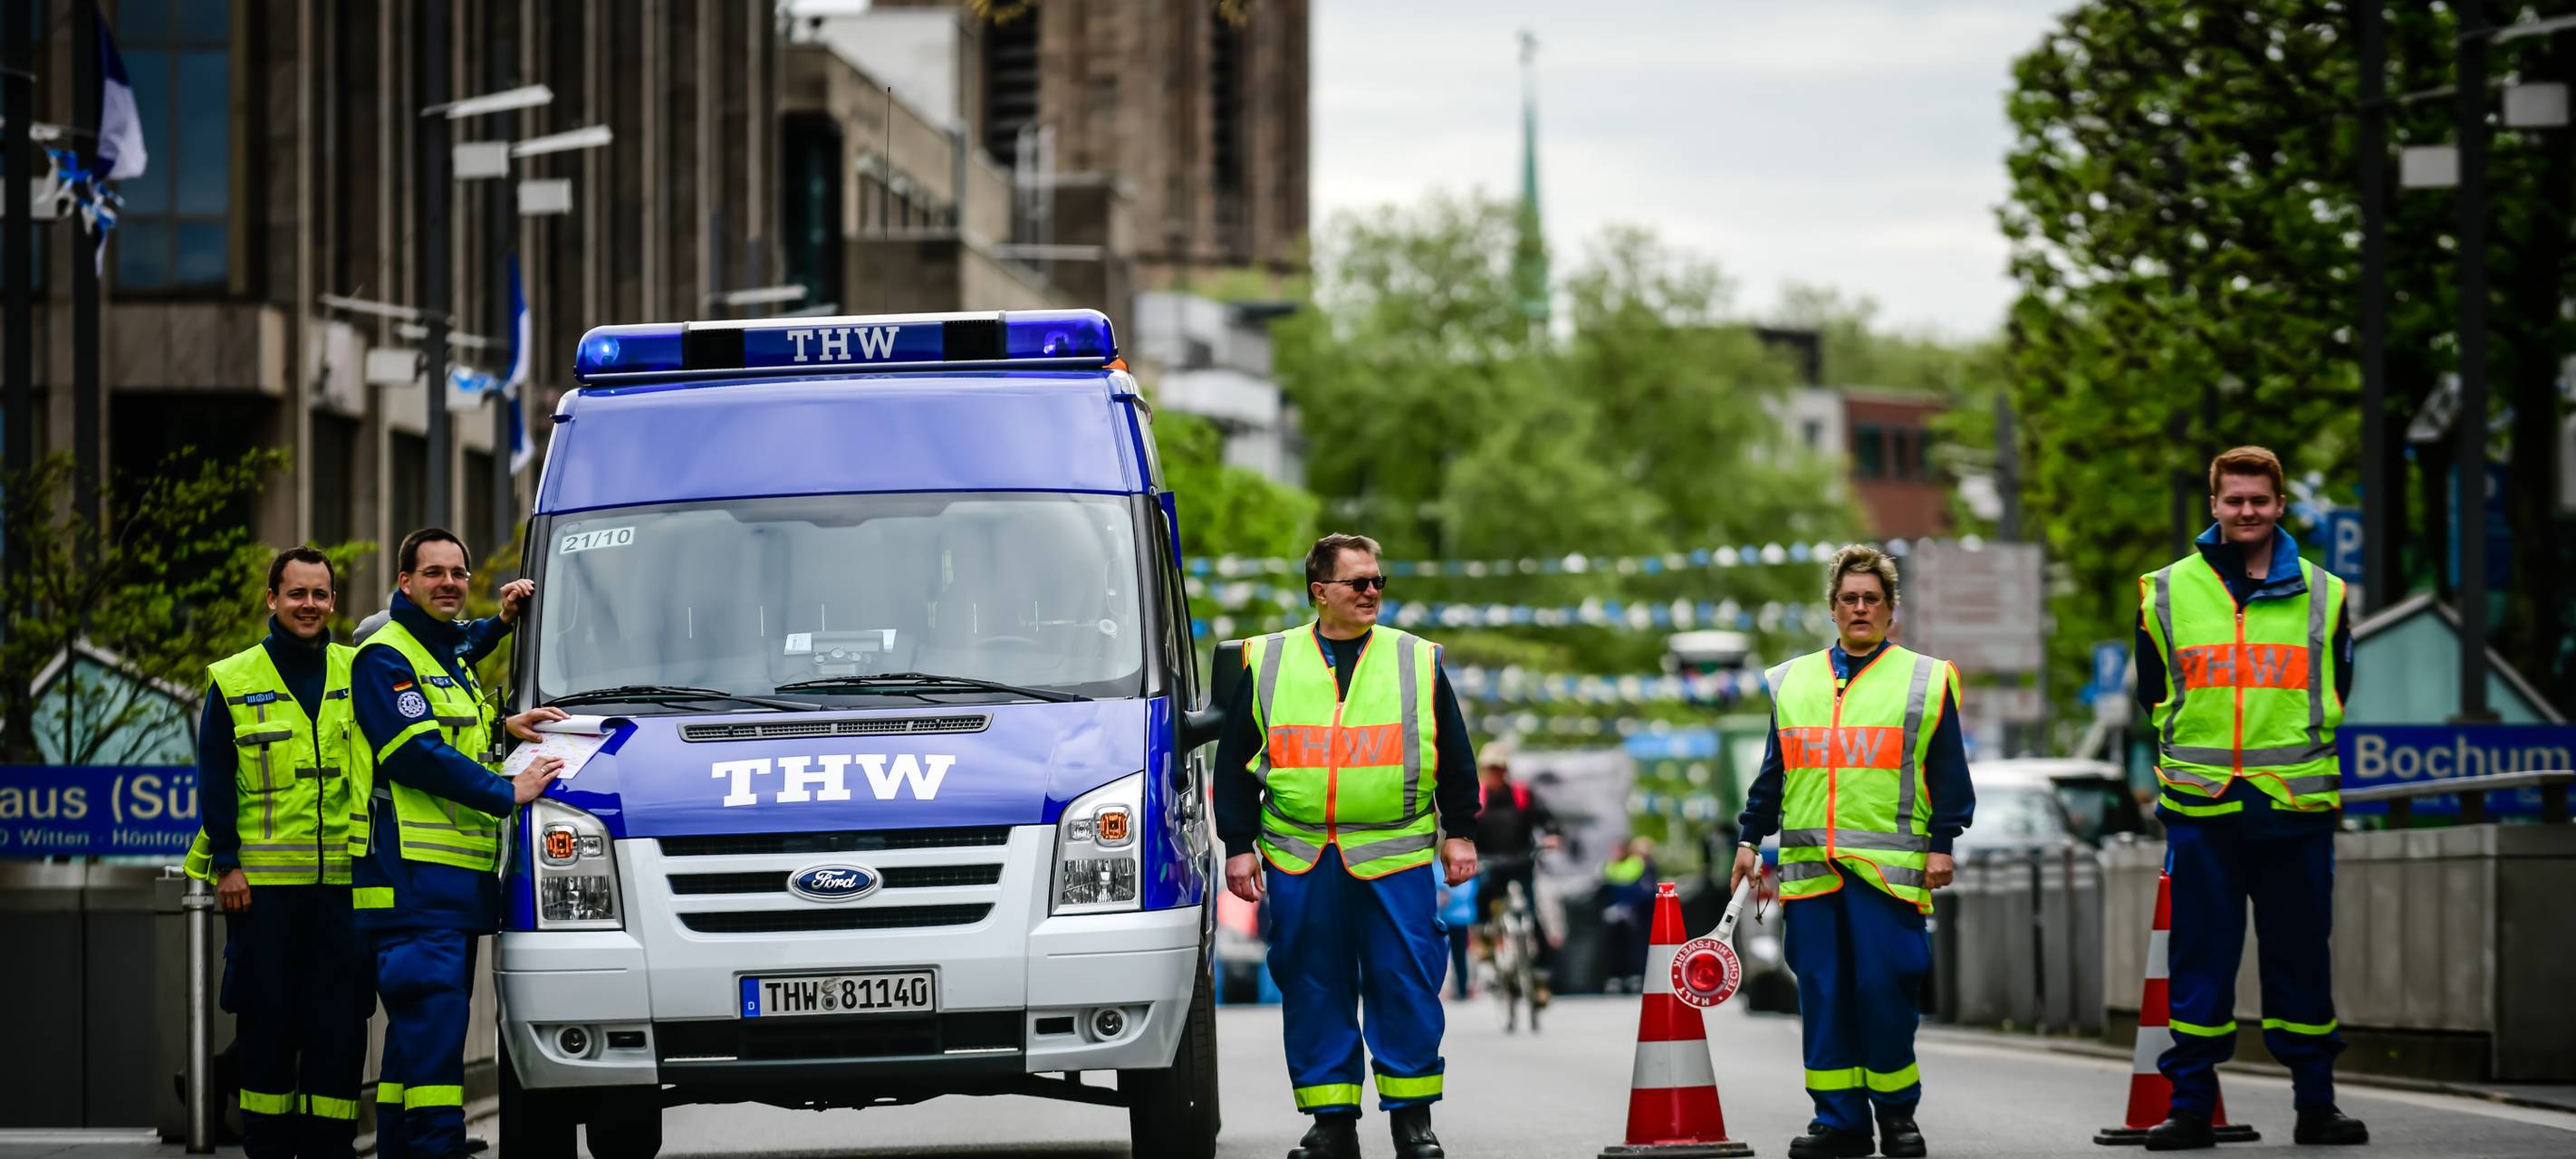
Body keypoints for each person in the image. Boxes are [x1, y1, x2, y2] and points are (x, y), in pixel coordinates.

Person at [1214, 533, 1482, 1159]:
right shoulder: (1270, 660)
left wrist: (1461, 829)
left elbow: (1455, 751)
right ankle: (1331, 1123)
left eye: (1377, 582)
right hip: (1300, 855)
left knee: (1406, 981)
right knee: (1312, 984)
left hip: (1396, 855)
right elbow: (1233, 764)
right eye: (1358, 582)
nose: (1371, 593)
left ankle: (1412, 1122)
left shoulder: (1415, 658)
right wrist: (1238, 843)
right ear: (1320, 591)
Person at [2133, 447, 2368, 1151]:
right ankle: (2191, 1107)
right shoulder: (2165, 592)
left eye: (2259, 501)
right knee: (2200, 961)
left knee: (2302, 958)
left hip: (2294, 809)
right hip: (2202, 808)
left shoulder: (2326, 594)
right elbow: (2152, 690)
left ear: (2280, 505)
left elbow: (2338, 686)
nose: (2246, 511)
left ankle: (2316, 1104)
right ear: (2214, 505)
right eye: (2234, 500)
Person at [1732, 544, 1974, 1159]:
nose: (1860, 607)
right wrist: (1747, 839)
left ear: (1892, 610)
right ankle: (1838, 1121)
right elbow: (1773, 775)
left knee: (1885, 992)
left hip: (1888, 875)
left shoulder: (1925, 678)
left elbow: (1949, 776)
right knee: (1823, 995)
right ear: (1833, 608)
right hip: (1811, 876)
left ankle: (1897, 1117)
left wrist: (1942, 845)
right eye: (1849, 598)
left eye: (1872, 599)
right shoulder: (1793, 681)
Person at [350, 528, 562, 1159]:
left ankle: (402, 1146)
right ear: (404, 583)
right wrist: (509, 791)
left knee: (417, 1037)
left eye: (458, 573)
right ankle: (436, 1147)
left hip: (449, 885)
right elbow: (418, 753)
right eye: (434, 573)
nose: (449, 583)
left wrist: (503, 719)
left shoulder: (442, 655)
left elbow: (456, 708)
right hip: (415, 882)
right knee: (435, 1028)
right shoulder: (386, 655)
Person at [180, 548, 371, 1159]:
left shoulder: (360, 670)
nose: (308, 605)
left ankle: (330, 1147)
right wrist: (227, 864)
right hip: (261, 895)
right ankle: (266, 1146)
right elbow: (214, 779)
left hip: (345, 891)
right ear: (272, 599)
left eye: (319, 594)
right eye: (296, 594)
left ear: (334, 601)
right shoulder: (234, 679)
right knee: (266, 1029)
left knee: (339, 1030)